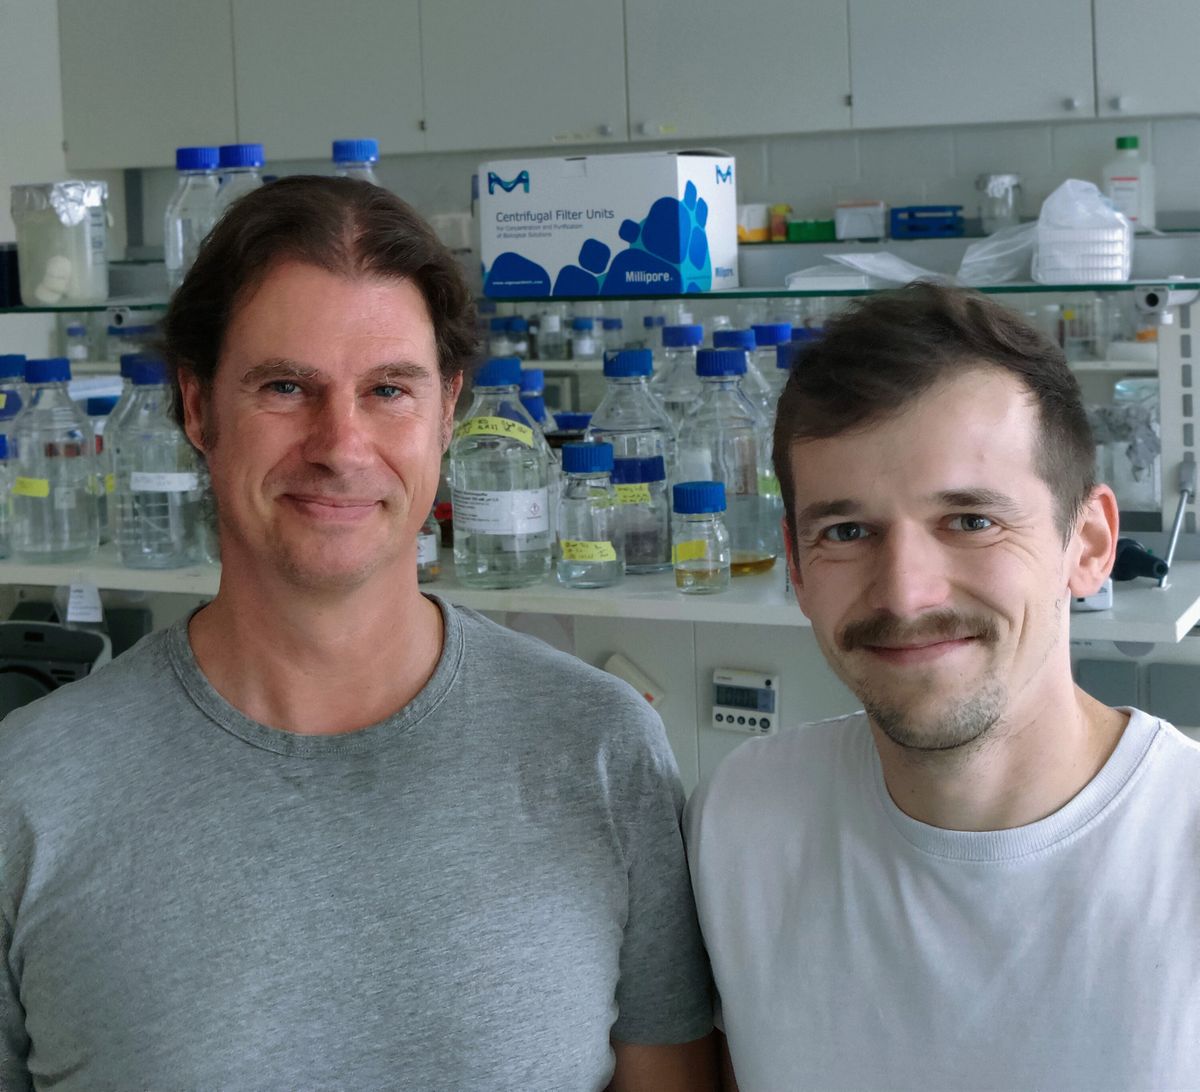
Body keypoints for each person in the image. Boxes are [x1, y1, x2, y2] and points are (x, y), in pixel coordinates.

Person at [0, 176, 714, 1091]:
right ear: (196, 406)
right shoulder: (33, 790)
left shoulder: (600, 750)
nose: (341, 444)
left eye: (388, 390)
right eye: (286, 386)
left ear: (447, 410)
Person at [686, 283, 1200, 1091]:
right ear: (795, 565)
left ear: (1090, 544)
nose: (905, 593)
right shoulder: (741, 822)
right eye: (847, 532)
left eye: (970, 521)